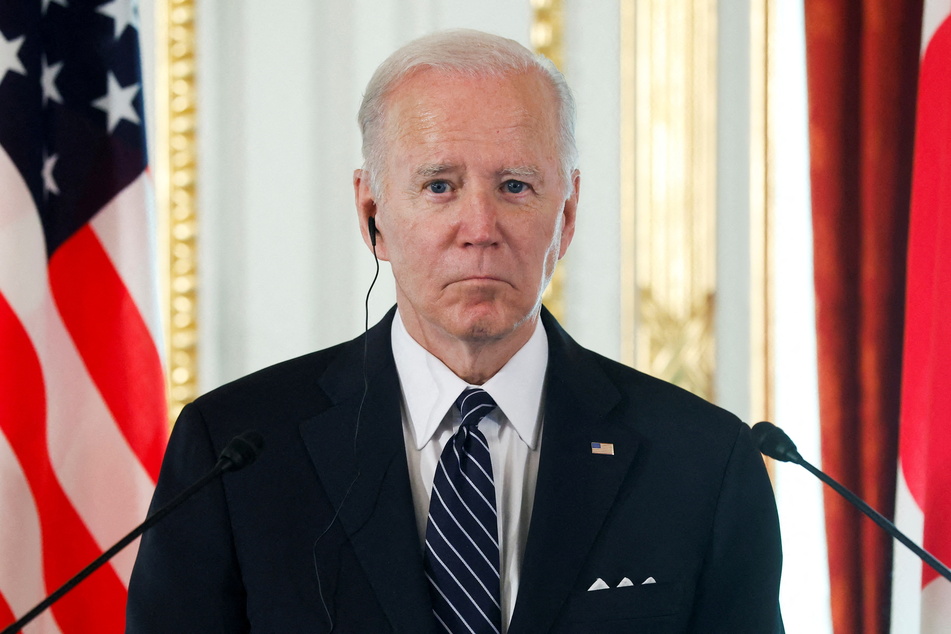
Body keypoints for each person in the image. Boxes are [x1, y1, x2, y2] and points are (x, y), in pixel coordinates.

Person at [127, 29, 783, 633]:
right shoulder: (236, 454)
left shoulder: (703, 462)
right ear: (372, 214)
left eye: (516, 186)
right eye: (439, 185)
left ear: (569, 211)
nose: (480, 227)